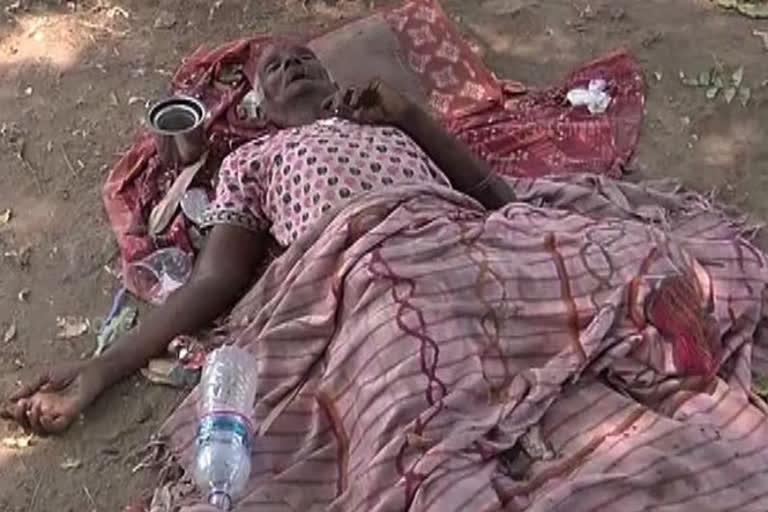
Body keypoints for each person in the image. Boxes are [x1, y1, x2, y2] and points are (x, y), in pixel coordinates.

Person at [0, 43, 516, 435]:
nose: (291, 64)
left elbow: (498, 199)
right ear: (260, 105)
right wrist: (103, 368)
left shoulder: (390, 121)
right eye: (275, 67)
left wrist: (409, 114)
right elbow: (215, 279)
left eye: (304, 59)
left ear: (332, 79)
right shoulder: (255, 161)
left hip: (461, 241)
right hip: (371, 275)